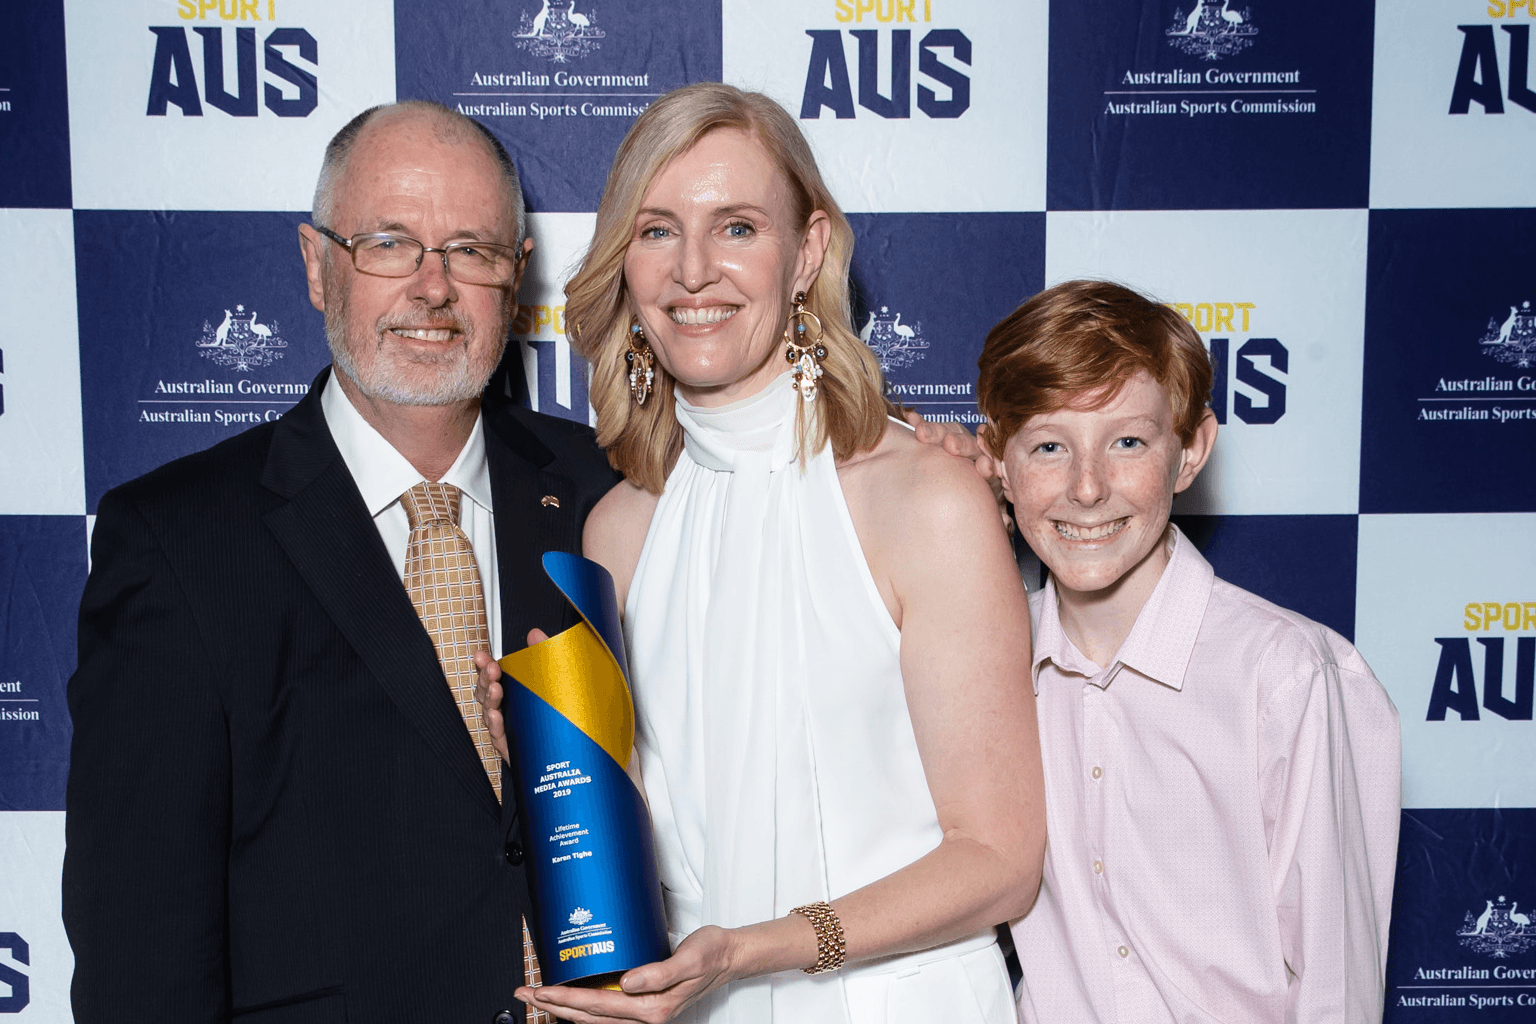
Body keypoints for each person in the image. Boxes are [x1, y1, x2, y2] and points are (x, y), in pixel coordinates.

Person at [476, 82, 1046, 1024]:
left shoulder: (925, 498)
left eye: (737, 227)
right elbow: (672, 849)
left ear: (808, 251)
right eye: (658, 231)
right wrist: (558, 765)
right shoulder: (616, 530)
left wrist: (756, 950)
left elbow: (1000, 861)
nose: (694, 270)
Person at [63, 102, 618, 1023]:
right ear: (318, 265)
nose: (433, 287)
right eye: (390, 243)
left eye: (472, 250)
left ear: (517, 281)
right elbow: (140, 949)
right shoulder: (176, 539)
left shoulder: (608, 488)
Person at [976, 280, 1401, 1023]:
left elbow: (1336, 988)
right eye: (1048, 446)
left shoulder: (1287, 676)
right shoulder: (985, 666)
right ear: (997, 461)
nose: (1086, 488)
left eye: (1128, 442)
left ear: (1191, 450)